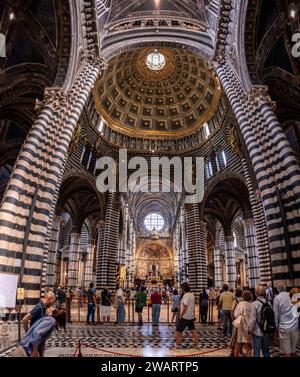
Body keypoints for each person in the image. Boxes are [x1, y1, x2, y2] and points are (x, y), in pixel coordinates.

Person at [273, 284, 299, 357]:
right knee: (293, 349)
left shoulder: (277, 298)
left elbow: (276, 314)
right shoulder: (293, 295)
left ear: (278, 289)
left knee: (287, 351)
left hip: (284, 327)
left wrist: (275, 326)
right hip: (295, 326)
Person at [249, 285, 271, 357]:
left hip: (257, 331)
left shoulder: (255, 304)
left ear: (256, 293)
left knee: (257, 350)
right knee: (266, 350)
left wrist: (250, 330)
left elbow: (253, 319)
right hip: (266, 330)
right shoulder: (269, 303)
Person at [175, 282, 199, 348]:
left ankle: (177, 345)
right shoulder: (192, 295)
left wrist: (181, 315)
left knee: (178, 331)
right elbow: (193, 306)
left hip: (185, 317)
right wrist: (193, 315)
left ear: (183, 289)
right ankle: (197, 344)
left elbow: (185, 307)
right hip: (191, 316)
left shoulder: (185, 296)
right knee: (193, 330)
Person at [231, 290, 252, 357]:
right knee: (248, 343)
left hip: (241, 326)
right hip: (249, 326)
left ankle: (237, 355)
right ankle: (248, 355)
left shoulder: (241, 304)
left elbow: (236, 314)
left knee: (239, 342)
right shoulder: (252, 304)